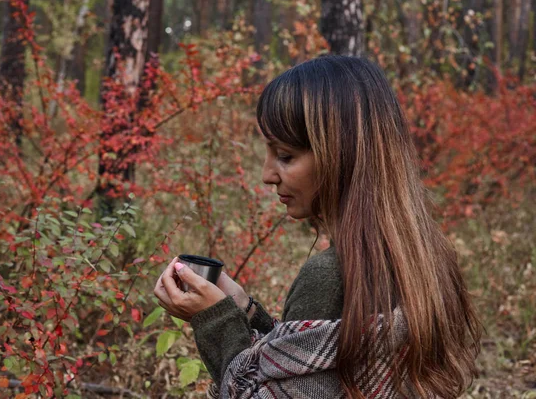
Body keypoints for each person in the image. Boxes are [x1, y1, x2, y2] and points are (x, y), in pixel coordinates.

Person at [154, 55, 481, 398]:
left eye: (285, 155)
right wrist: (243, 308)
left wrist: (215, 320)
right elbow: (321, 366)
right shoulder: (424, 260)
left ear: (339, 154)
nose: (267, 175)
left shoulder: (330, 276)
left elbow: (277, 391)